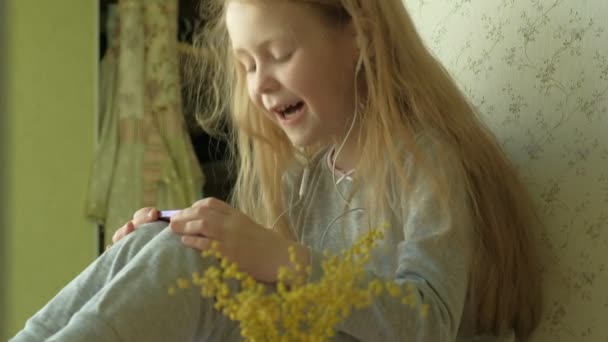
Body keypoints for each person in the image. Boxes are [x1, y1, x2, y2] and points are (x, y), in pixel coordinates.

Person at [10, 0, 543, 341]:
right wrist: (157, 247)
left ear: (358, 33)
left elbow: (428, 323)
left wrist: (281, 259)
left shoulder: (420, 163)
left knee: (192, 261)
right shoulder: (302, 179)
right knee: (168, 243)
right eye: (246, 66)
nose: (260, 83)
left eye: (279, 54)